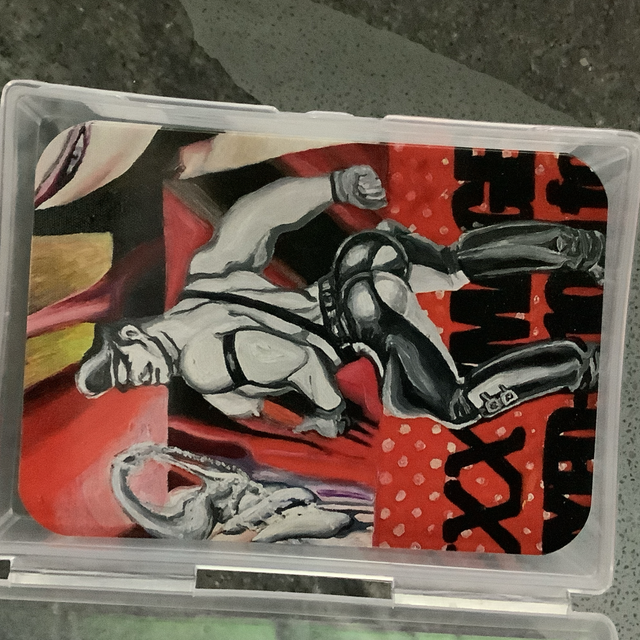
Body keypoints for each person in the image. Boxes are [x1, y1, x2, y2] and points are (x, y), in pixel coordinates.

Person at [76, 165, 603, 437]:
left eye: (127, 364)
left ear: (131, 333)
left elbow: (299, 359)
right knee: (452, 265)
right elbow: (254, 218)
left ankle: (579, 366)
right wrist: (334, 185)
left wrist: (328, 412)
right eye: (126, 381)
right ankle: (580, 247)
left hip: (361, 316)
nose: (137, 378)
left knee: (457, 406)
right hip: (360, 260)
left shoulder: (199, 365)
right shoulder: (205, 277)